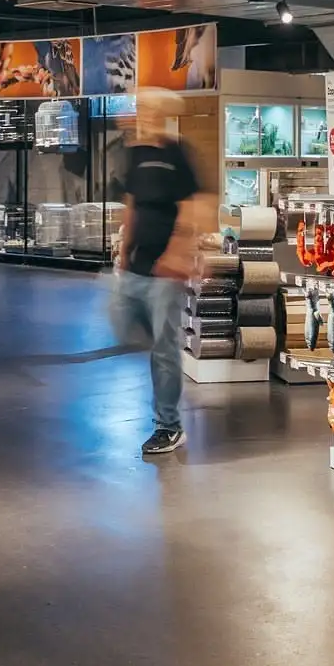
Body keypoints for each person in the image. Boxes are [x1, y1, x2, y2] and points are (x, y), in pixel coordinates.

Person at [112, 88, 205, 455]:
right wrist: (122, 250)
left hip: (167, 271)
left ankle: (169, 426)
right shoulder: (135, 154)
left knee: (164, 350)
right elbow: (132, 203)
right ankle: (159, 362)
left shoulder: (176, 152)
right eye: (141, 109)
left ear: (163, 113)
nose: (144, 114)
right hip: (137, 264)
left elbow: (192, 206)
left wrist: (178, 253)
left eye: (150, 108)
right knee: (122, 321)